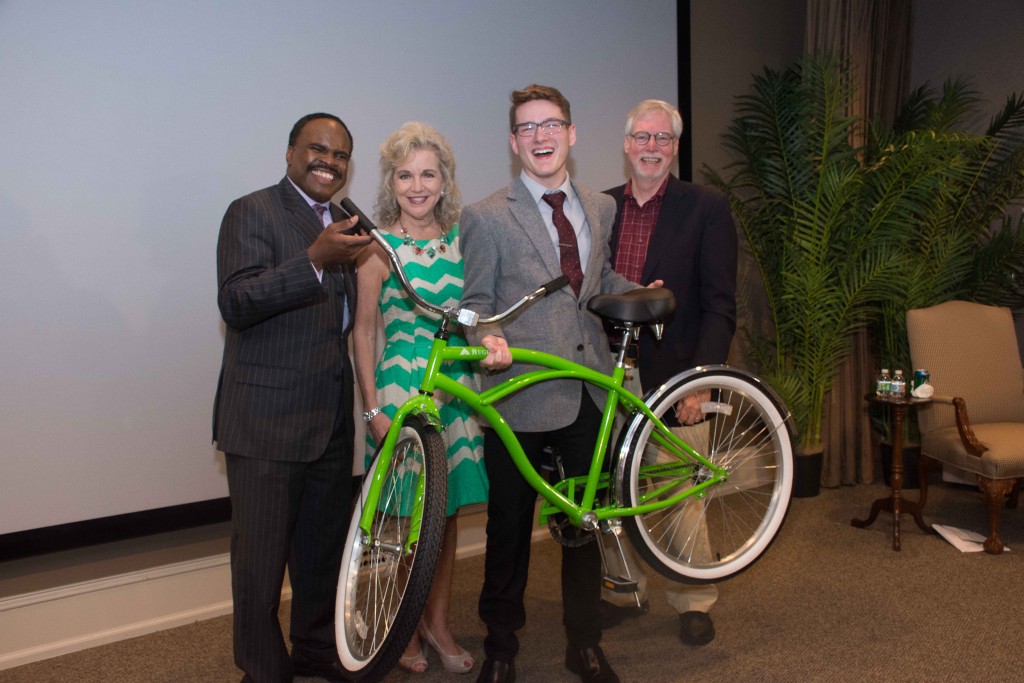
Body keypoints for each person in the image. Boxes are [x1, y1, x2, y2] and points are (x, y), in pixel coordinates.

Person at [461, 85, 648, 683]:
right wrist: (482, 341)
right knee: (508, 532)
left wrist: (635, 291)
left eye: (551, 125)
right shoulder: (487, 216)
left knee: (583, 528)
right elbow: (475, 305)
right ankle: (500, 649)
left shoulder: (599, 205)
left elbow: (596, 279)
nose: (541, 137)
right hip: (519, 396)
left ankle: (584, 643)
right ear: (514, 143)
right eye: (527, 128)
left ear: (571, 133)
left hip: (589, 390)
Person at [213, 112, 371, 683]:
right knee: (258, 569)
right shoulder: (251, 211)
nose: (329, 161)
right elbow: (237, 301)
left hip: (329, 420)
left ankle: (313, 649)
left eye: (341, 155)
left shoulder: (349, 221)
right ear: (289, 153)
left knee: (320, 556)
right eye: (317, 149)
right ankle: (263, 671)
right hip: (264, 422)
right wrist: (313, 260)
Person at [352, 121, 488, 675]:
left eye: (427, 173)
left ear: (444, 179)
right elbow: (361, 332)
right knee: (411, 520)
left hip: (453, 392)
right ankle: (404, 626)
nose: (416, 185)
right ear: (392, 182)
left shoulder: (464, 239)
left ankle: (437, 623)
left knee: (448, 518)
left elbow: (480, 315)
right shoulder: (376, 248)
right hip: (400, 393)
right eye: (405, 175)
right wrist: (371, 409)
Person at [601, 99, 738, 646]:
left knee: (680, 493)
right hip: (605, 374)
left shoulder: (705, 206)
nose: (651, 147)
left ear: (675, 147)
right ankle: (621, 590)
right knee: (608, 491)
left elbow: (720, 303)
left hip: (675, 375)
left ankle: (693, 599)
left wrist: (700, 381)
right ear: (626, 144)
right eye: (642, 137)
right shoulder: (601, 206)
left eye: (662, 138)